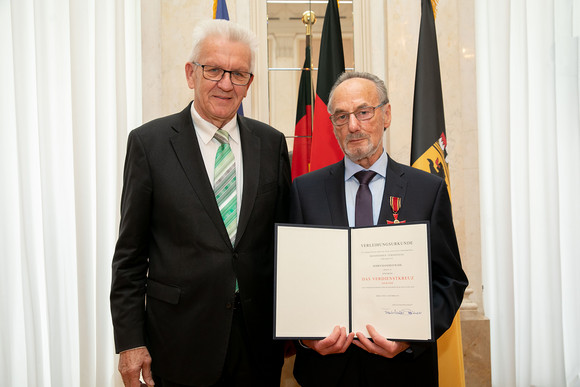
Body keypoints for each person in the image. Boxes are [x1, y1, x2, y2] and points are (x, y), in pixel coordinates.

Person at [110, 19, 291, 387]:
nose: (226, 83)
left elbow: (284, 243)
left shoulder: (271, 144)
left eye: (238, 73)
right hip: (179, 343)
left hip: (258, 345)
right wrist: (130, 342)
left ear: (249, 83)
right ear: (191, 73)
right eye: (214, 70)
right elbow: (130, 255)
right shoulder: (150, 144)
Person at [289, 71, 468, 386]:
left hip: (403, 373)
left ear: (386, 114)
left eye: (363, 112)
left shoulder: (428, 190)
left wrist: (409, 339)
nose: (353, 126)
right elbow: (290, 281)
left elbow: (449, 281)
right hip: (326, 373)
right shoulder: (305, 191)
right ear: (332, 126)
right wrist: (307, 339)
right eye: (341, 117)